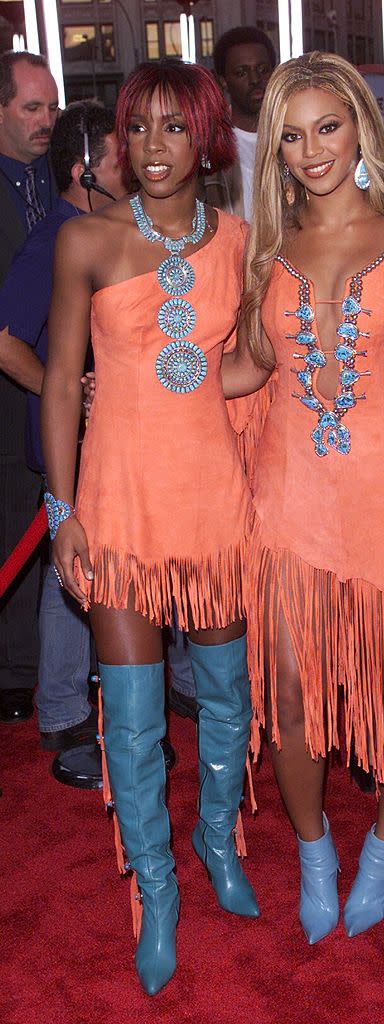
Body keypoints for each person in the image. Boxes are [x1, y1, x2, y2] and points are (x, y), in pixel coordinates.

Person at [41, 59, 259, 996]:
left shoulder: (246, 240)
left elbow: (243, 367)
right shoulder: (85, 240)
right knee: (130, 723)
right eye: (139, 129)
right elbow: (59, 380)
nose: (155, 147)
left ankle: (218, 841)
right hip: (119, 502)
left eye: (175, 128)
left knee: (226, 696)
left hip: (210, 494)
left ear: (206, 138)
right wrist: (63, 509)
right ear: (118, 142)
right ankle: (157, 889)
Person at [221, 51, 384, 945]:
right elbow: (247, 366)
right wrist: (143, 382)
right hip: (290, 498)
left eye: (328, 126)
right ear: (272, 149)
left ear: (360, 128)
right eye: (292, 134)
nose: (312, 150)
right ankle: (315, 851)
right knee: (293, 691)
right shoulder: (261, 250)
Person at [0, 101, 127, 788]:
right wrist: (66, 393)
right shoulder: (58, 237)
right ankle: (60, 704)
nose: (136, 164)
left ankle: (68, 700)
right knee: (67, 565)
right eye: (120, 156)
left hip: (104, 436)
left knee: (80, 562)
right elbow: (3, 338)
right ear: (86, 170)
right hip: (72, 441)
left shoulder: (101, 231)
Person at [0, 51, 58, 726]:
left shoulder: (57, 177)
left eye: (51, 108)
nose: (46, 121)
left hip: (50, 382)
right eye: (31, 108)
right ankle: (15, 675)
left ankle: (38, 668)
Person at [204, 26, 277, 219]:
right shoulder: (210, 148)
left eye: (262, 69)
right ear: (223, 81)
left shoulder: (294, 138)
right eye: (241, 72)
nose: (255, 79)